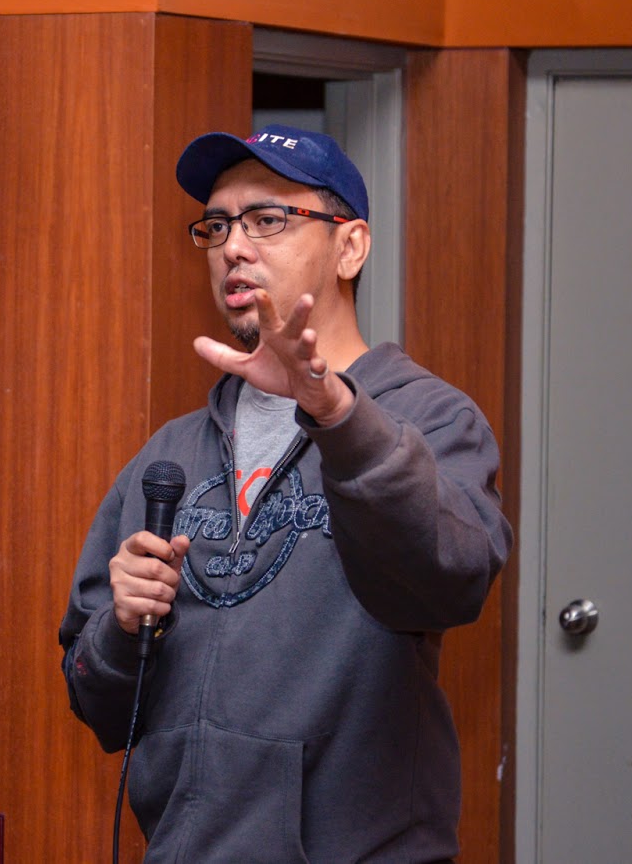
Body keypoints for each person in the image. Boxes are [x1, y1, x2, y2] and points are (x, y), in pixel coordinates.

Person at [59, 125, 512, 863]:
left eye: (267, 219)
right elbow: (96, 702)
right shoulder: (169, 456)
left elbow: (449, 581)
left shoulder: (430, 420)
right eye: (216, 226)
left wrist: (336, 413)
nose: (234, 247)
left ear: (350, 247)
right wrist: (120, 626)